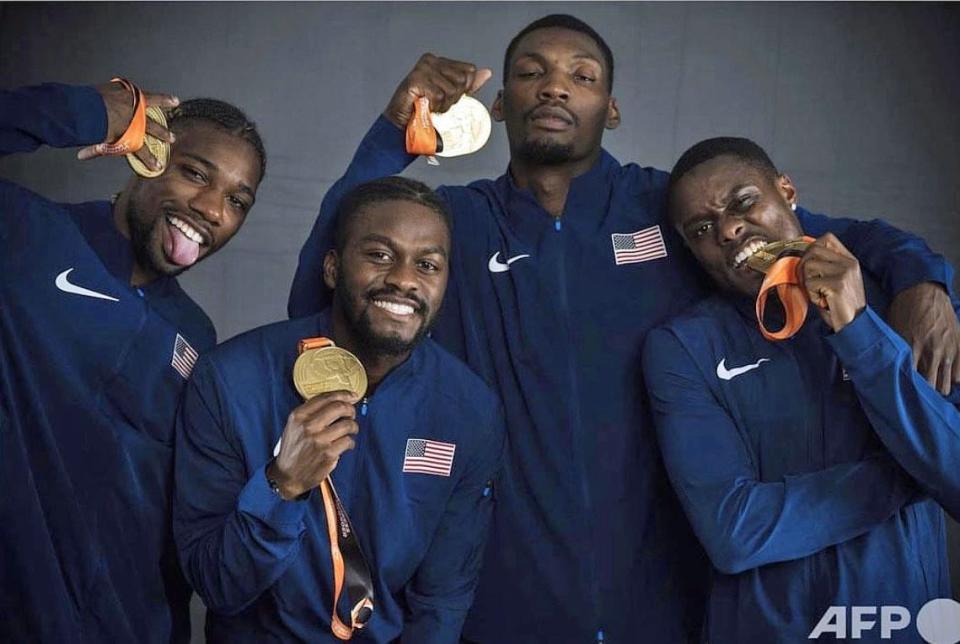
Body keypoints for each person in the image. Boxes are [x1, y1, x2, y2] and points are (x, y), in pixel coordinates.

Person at [287, 15, 960, 642]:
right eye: (530, 72)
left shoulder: (677, 209)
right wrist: (390, 134)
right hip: (508, 590)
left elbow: (820, 235)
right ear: (497, 106)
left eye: (582, 76)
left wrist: (924, 276)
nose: (554, 85)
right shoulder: (455, 224)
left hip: (672, 590)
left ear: (611, 109)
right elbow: (324, 293)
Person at [642, 137, 960, 642]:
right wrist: (910, 472)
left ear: (787, 191)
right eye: (703, 229)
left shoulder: (906, 307)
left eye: (743, 202)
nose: (727, 229)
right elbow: (735, 532)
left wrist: (858, 330)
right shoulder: (682, 347)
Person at [174, 176, 505, 643]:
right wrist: (281, 487)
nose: (404, 279)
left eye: (427, 264)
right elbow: (216, 585)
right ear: (332, 268)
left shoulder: (469, 408)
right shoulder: (231, 379)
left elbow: (442, 598)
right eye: (379, 255)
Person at [0, 80, 265, 643]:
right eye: (195, 173)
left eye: (238, 200)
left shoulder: (197, 337)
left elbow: (164, 517)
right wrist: (89, 112)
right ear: (148, 154)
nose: (212, 209)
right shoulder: (28, 233)